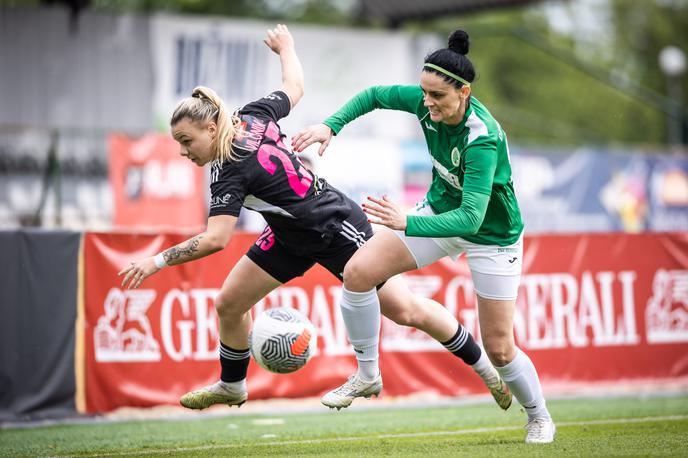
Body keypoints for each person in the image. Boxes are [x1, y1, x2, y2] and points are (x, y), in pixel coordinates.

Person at [118, 24, 511, 415]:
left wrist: (155, 262)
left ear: (210, 127)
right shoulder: (252, 115)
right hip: (290, 235)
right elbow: (294, 87)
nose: (183, 152)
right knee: (228, 304)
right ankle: (232, 385)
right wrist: (286, 48)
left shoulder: (230, 169)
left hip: (335, 225)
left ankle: (485, 369)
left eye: (186, 141)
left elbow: (215, 239)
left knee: (406, 310)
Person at [292, 29, 555, 444]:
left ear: (464, 92)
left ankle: (539, 416)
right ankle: (367, 375)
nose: (427, 103)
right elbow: (374, 95)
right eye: (424, 93)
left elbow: (470, 219)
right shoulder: (424, 100)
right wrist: (331, 126)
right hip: (439, 212)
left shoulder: (481, 137)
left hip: (491, 236)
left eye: (438, 96)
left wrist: (406, 222)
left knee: (501, 349)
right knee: (358, 272)